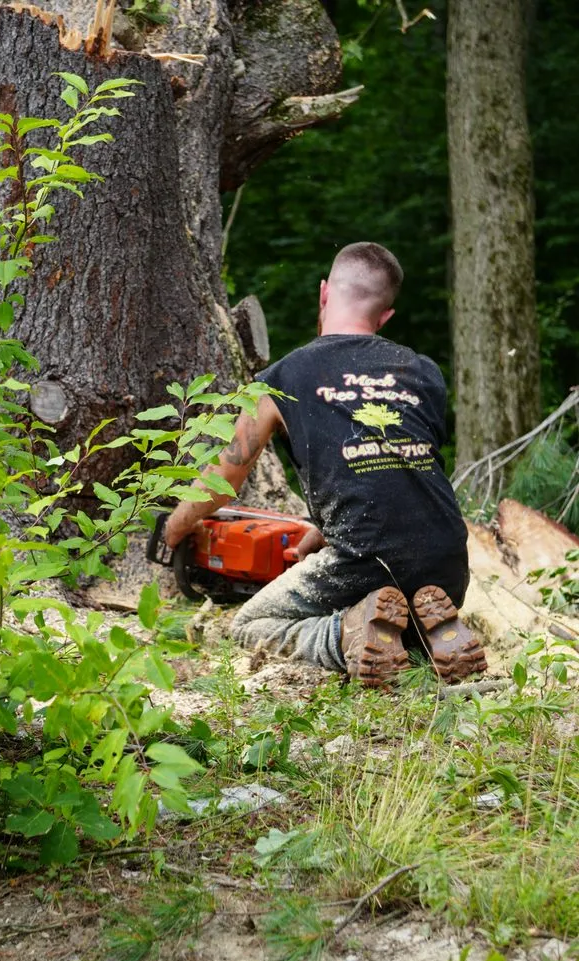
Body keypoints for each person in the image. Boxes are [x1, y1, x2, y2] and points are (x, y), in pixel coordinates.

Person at [165, 243, 487, 687]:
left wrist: (175, 526)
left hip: (363, 560)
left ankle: (343, 634)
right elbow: (401, 468)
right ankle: (427, 634)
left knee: (250, 626)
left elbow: (222, 481)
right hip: (447, 563)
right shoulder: (424, 372)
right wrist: (323, 526)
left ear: (323, 293)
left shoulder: (280, 379)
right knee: (396, 608)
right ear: (386, 316)